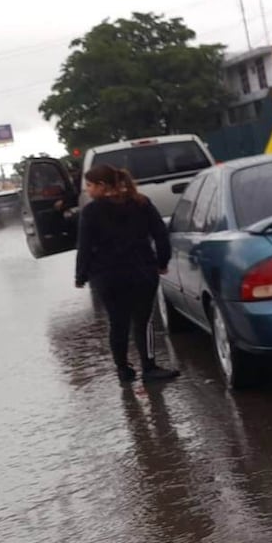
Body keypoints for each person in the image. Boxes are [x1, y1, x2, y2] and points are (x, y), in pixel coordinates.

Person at [75, 164, 180, 383]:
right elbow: (160, 234)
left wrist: (81, 275)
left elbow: (84, 246)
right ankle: (149, 367)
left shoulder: (91, 211)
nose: (87, 190)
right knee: (143, 321)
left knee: (117, 322)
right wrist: (162, 262)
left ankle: (123, 370)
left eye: (89, 185)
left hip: (108, 276)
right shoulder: (141, 203)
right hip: (142, 272)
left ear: (102, 186)